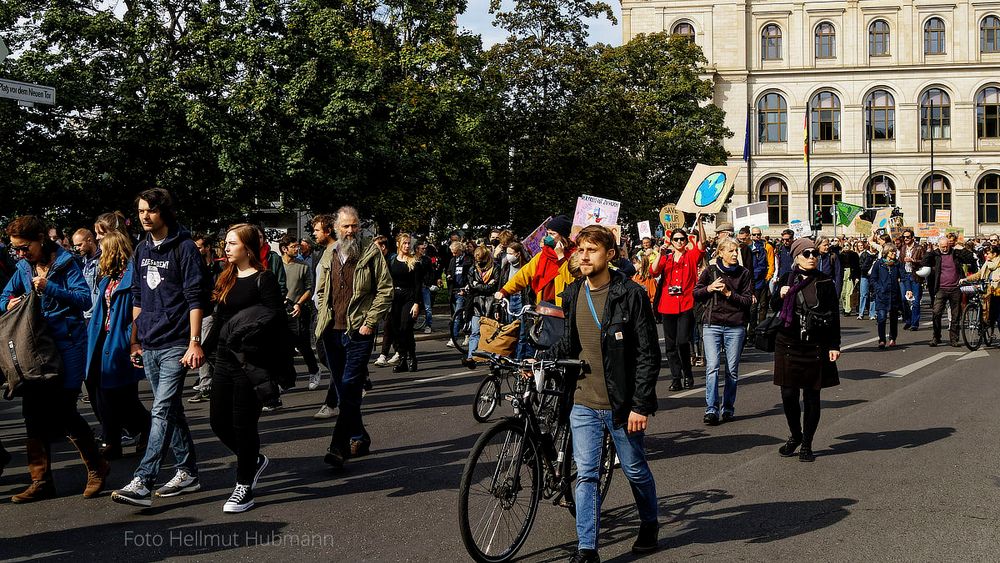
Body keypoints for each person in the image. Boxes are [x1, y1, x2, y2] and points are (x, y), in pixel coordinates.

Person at [552, 225, 661, 562]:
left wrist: (639, 405)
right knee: (586, 474)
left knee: (635, 469)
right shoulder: (571, 293)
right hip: (582, 401)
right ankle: (587, 549)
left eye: (592, 250)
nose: (584, 256)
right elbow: (567, 343)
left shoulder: (630, 294)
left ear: (610, 255)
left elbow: (648, 354)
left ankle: (649, 523)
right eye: (580, 249)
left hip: (622, 404)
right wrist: (538, 360)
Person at [1, 216, 108, 503]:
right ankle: (40, 480)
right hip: (34, 349)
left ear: (41, 238)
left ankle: (97, 468)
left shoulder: (66, 263)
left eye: (24, 248)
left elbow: (84, 299)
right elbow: (4, 296)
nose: (21, 254)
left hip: (67, 345)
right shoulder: (23, 266)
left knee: (64, 411)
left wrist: (50, 287)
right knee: (33, 413)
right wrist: (8, 302)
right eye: (16, 250)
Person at [111, 188, 205, 508]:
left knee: (161, 410)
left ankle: (144, 479)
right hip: (149, 342)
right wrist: (135, 339)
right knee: (172, 410)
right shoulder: (141, 249)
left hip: (177, 343)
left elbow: (195, 298)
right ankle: (188, 471)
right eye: (140, 212)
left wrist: (194, 342)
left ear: (164, 211)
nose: (145, 217)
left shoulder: (186, 248)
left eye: (150, 211)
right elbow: (138, 297)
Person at [207, 224, 291, 513]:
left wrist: (250, 338)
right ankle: (253, 459)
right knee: (218, 422)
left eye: (232, 243)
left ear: (248, 248)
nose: (227, 248)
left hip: (250, 362)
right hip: (222, 360)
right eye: (226, 243)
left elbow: (275, 317)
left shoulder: (264, 279)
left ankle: (244, 486)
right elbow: (220, 317)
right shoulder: (227, 276)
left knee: (243, 425)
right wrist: (200, 349)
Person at [314, 206, 393, 468]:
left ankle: (338, 446)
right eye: (346, 226)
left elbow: (385, 289)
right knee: (342, 387)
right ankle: (360, 436)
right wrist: (321, 318)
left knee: (349, 385)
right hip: (331, 331)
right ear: (336, 228)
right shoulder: (329, 253)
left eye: (355, 226)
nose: (350, 231)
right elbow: (323, 290)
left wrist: (370, 322)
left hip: (359, 331)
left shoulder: (370, 252)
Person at [772, 238, 841, 462]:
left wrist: (834, 345)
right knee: (788, 394)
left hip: (816, 343)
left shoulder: (825, 281)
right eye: (807, 253)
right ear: (797, 257)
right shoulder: (787, 278)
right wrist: (779, 294)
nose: (812, 257)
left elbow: (833, 315)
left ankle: (807, 444)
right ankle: (795, 435)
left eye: (815, 254)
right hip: (788, 343)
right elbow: (773, 307)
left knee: (812, 395)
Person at [85, 230, 152, 460]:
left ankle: (145, 427)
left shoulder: (132, 276)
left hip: (120, 340)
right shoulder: (108, 277)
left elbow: (138, 309)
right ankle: (112, 439)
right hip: (101, 340)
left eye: (104, 248)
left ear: (113, 250)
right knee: (100, 392)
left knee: (122, 396)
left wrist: (131, 339)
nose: (100, 252)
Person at [693, 238, 753, 425]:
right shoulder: (710, 271)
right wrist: (710, 288)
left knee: (732, 371)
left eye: (736, 251)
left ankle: (728, 408)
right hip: (712, 325)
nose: (735, 254)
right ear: (720, 253)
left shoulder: (744, 273)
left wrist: (729, 294)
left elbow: (747, 300)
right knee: (712, 368)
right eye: (730, 251)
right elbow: (696, 293)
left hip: (735, 326)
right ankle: (711, 409)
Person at [650, 216, 706, 391]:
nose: (679, 241)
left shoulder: (690, 256)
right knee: (670, 344)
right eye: (676, 239)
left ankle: (687, 373)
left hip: (686, 304)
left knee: (683, 341)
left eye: (682, 239)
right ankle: (676, 378)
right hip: (667, 305)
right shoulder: (666, 258)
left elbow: (702, 245)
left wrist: (700, 223)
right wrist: (660, 252)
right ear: (671, 241)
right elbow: (653, 271)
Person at [495, 215, 577, 307]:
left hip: (564, 308)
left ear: (563, 235)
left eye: (552, 234)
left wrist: (561, 257)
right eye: (548, 233)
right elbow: (524, 274)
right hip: (543, 306)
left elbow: (572, 280)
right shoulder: (543, 255)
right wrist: (505, 291)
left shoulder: (574, 255)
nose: (548, 238)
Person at [279, 233, 320, 393]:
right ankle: (285, 379)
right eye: (294, 246)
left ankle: (314, 370)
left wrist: (298, 304)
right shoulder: (277, 265)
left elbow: (310, 289)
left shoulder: (303, 266)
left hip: (300, 310)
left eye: (298, 246)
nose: (297, 249)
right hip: (282, 310)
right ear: (284, 249)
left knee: (303, 344)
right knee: (284, 346)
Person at [922, 235, 975, 347]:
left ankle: (954, 339)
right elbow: (924, 262)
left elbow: (970, 258)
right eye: (942, 247)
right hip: (941, 288)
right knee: (936, 312)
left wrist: (961, 247)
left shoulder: (955, 253)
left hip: (955, 288)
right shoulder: (936, 255)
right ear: (939, 246)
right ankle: (936, 337)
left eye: (946, 246)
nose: (944, 249)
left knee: (956, 315)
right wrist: (931, 250)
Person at [188, 233, 221, 404]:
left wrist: (215, 294)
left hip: (212, 313)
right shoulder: (194, 265)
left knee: (203, 349)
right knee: (206, 351)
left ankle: (206, 385)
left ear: (207, 248)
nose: (197, 250)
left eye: (199, 246)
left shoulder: (219, 266)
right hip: (198, 311)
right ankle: (210, 382)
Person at [387, 233, 424, 372]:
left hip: (409, 297)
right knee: (396, 329)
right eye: (404, 243)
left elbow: (418, 285)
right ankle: (402, 358)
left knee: (406, 327)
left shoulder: (414, 262)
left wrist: (416, 303)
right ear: (398, 244)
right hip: (395, 297)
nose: (407, 246)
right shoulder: (392, 261)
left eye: (409, 243)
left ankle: (411, 357)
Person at [462, 246, 500, 369]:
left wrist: (477, 285)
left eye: (481, 259)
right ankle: (471, 356)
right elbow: (471, 285)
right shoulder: (473, 269)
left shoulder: (495, 268)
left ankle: (492, 357)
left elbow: (493, 287)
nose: (478, 262)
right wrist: (482, 286)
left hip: (491, 304)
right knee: (475, 332)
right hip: (477, 304)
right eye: (476, 259)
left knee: (491, 331)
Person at [869, 244, 908, 349]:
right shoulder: (879, 264)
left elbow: (903, 277)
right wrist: (878, 288)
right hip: (882, 295)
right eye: (892, 252)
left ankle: (892, 338)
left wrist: (908, 289)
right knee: (881, 318)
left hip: (894, 295)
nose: (894, 254)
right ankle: (882, 339)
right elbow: (873, 278)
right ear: (886, 253)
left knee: (893, 318)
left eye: (895, 252)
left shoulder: (897, 264)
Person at [445, 240, 473, 348]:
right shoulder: (453, 260)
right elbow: (449, 270)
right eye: (452, 252)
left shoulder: (467, 260)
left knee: (457, 315)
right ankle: (467, 334)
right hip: (454, 290)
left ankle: (454, 338)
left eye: (455, 252)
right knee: (458, 315)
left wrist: (466, 289)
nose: (453, 254)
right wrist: (448, 275)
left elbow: (469, 276)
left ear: (460, 251)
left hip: (463, 290)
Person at [966, 244, 1000, 329]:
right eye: (985, 253)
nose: (985, 255)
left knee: (999, 318)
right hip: (988, 291)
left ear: (994, 254)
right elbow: (979, 274)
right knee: (987, 313)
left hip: (998, 292)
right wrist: (966, 279)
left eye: (987, 253)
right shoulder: (987, 263)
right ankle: (985, 326)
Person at [748, 227, 774, 332]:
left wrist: (768, 277)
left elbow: (771, 263)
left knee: (763, 306)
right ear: (751, 235)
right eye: (754, 235)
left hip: (763, 281)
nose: (756, 236)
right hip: (752, 282)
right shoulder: (748, 247)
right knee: (753, 308)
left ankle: (761, 330)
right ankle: (752, 332)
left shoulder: (766, 246)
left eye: (758, 234)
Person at [898, 229, 925, 331]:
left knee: (915, 300)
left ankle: (915, 323)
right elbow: (900, 261)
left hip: (915, 276)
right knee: (904, 299)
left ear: (912, 237)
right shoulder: (903, 248)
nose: (905, 239)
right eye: (904, 237)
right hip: (905, 276)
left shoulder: (919, 247)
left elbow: (924, 261)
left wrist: (913, 260)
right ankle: (908, 320)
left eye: (908, 237)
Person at [857, 240, 878, 320]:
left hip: (874, 278)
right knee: (863, 295)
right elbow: (861, 267)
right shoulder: (865, 254)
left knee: (873, 295)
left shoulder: (878, 255)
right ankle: (861, 313)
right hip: (865, 276)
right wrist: (870, 258)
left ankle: (872, 313)